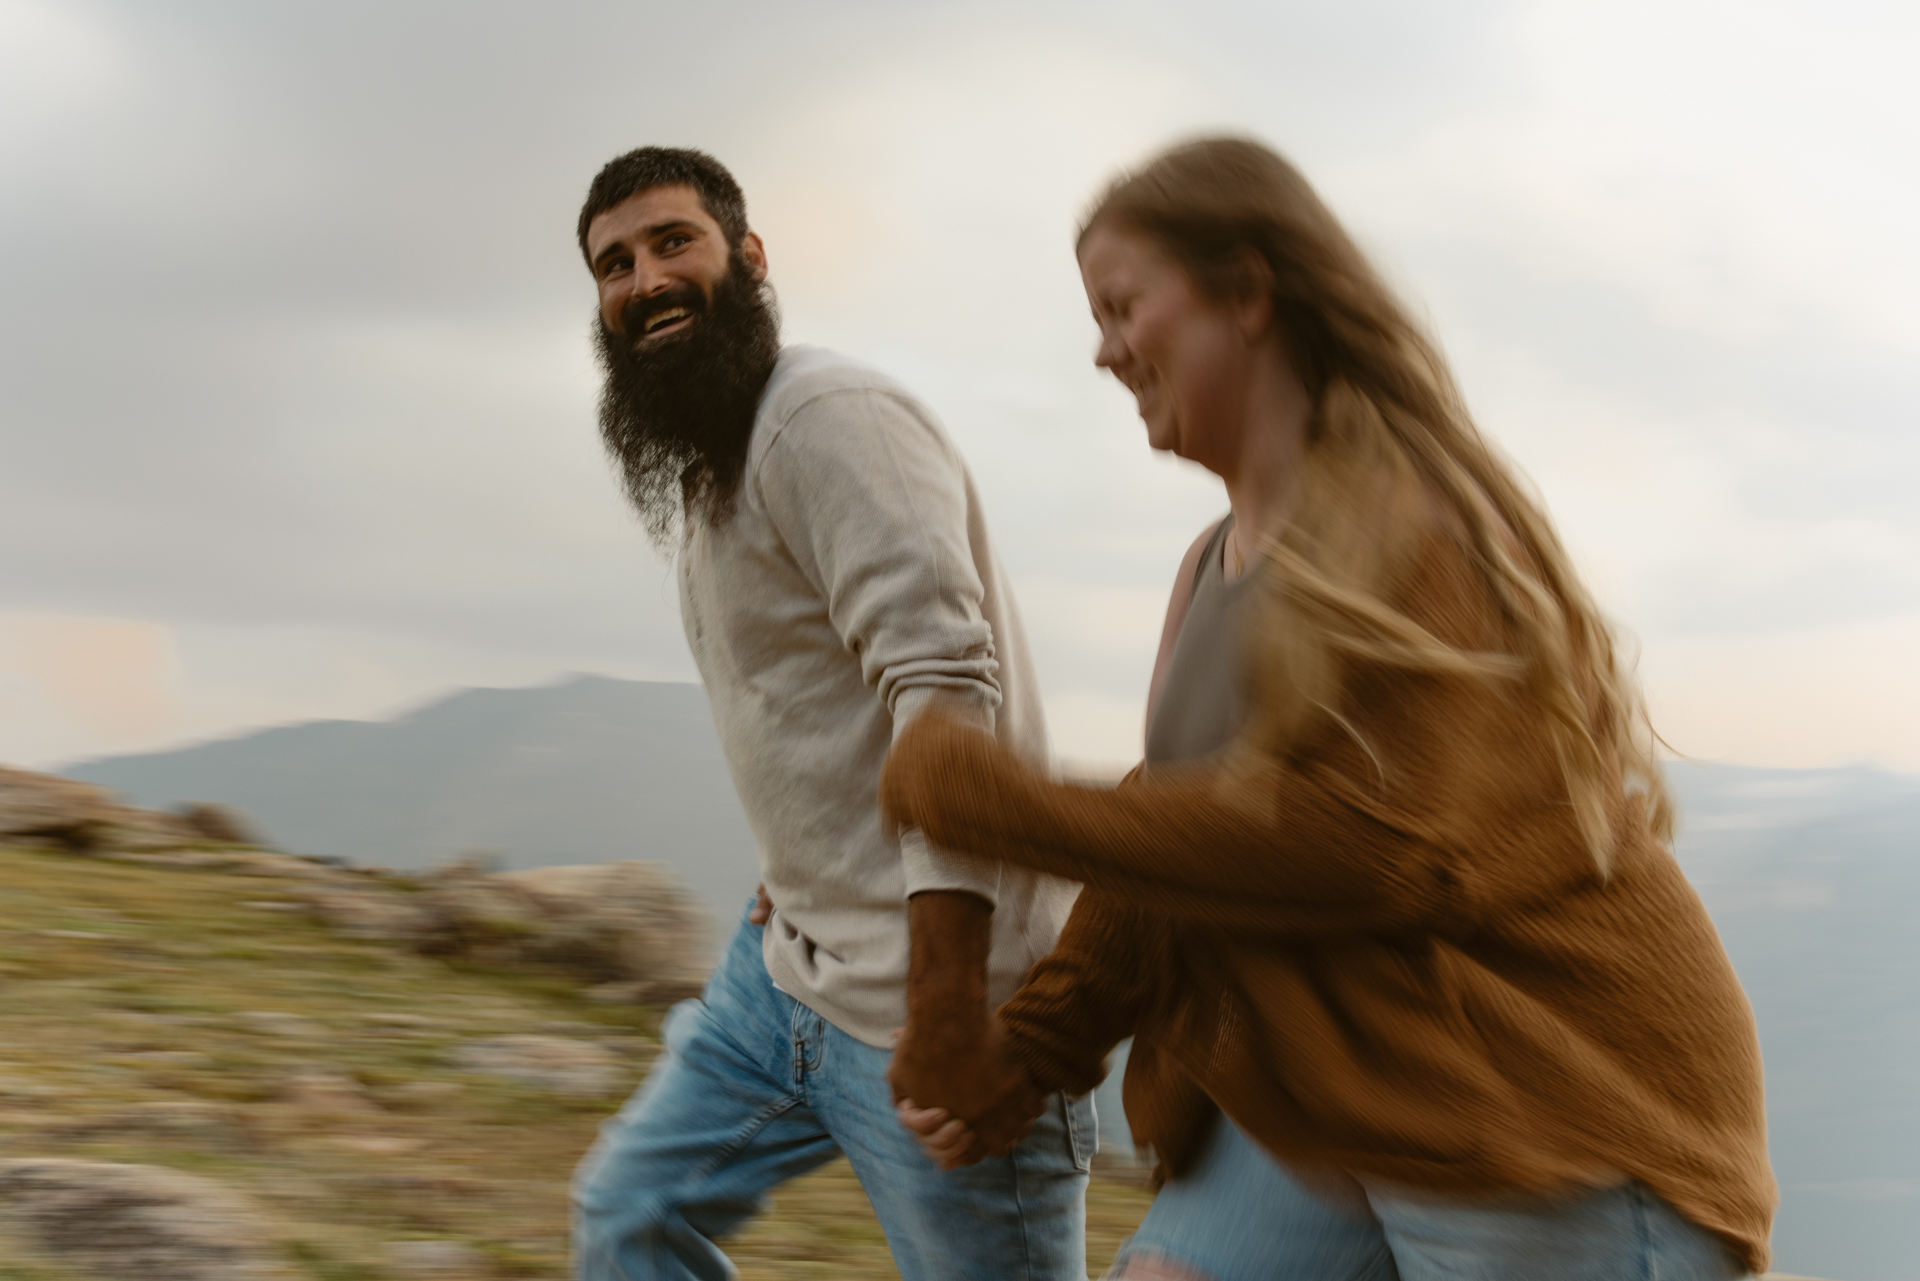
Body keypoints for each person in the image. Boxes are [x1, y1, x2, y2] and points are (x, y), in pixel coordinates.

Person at [882, 137, 1776, 1280]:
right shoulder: (1211, 566)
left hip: (1543, 1104)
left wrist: (993, 804)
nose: (1104, 352)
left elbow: (1367, 851)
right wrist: (1042, 1042)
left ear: (1247, 293)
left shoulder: (1424, 531)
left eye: (1121, 307)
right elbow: (1182, 836)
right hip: (1343, 1087)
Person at [568, 147, 1090, 1281]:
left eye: (673, 243)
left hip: (940, 993)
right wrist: (793, 870)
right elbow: (802, 706)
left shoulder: (824, 419)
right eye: (614, 264)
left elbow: (946, 695)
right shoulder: (710, 461)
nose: (644, 279)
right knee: (626, 1213)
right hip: (786, 975)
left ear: (748, 259)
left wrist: (950, 1010)